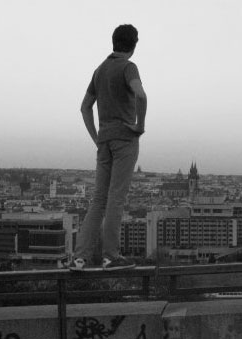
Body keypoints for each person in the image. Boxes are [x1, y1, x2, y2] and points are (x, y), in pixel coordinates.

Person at [69, 24, 147, 271]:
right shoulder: (128, 67)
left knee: (98, 200)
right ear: (133, 45)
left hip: (104, 141)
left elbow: (84, 107)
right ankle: (111, 256)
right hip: (124, 139)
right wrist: (139, 125)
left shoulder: (99, 70)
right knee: (116, 198)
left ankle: (79, 257)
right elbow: (141, 95)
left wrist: (97, 136)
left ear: (114, 42)